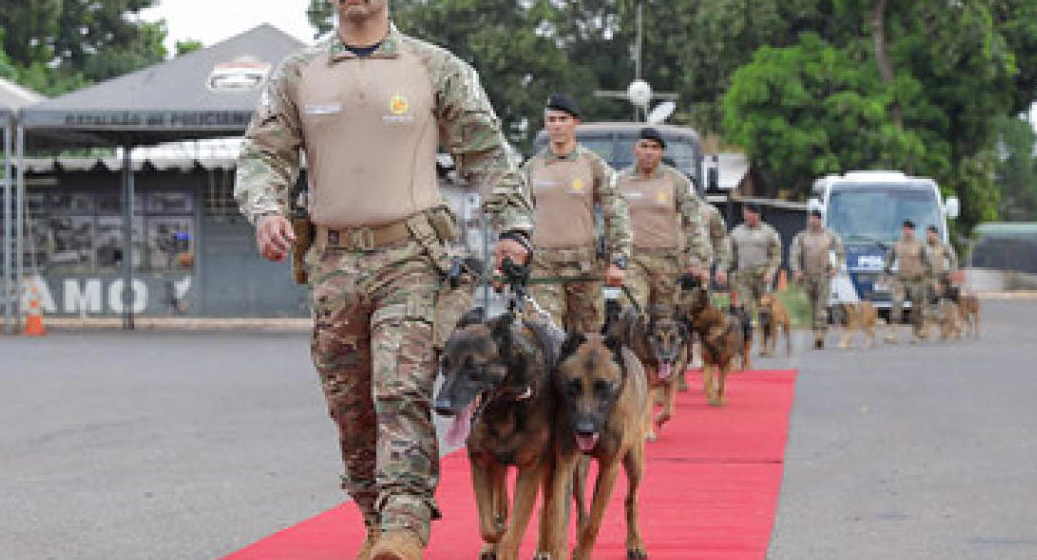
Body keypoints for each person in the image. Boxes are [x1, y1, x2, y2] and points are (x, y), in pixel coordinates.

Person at [233, 1, 534, 559]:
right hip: (332, 262)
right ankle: (375, 520)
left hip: (411, 257)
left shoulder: (433, 67)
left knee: (400, 388)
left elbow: (487, 152)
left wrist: (514, 225)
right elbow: (262, 156)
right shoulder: (298, 73)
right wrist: (267, 209)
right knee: (350, 407)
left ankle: (404, 524)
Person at [522, 93, 631, 332]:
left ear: (575, 123)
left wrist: (619, 260)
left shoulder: (593, 165)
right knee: (545, 335)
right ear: (545, 124)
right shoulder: (532, 168)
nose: (557, 125)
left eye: (563, 119)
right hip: (543, 266)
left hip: (585, 267)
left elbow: (616, 212)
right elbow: (517, 214)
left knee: (587, 341)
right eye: (552, 120)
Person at [618, 127, 711, 309]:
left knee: (666, 321)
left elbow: (694, 222)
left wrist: (695, 260)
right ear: (635, 149)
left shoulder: (677, 181)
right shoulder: (619, 181)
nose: (649, 152)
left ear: (661, 152)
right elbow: (610, 219)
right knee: (632, 312)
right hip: (633, 260)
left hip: (667, 261)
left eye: (655, 147)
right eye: (644, 146)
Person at [788, 209, 845, 349]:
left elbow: (841, 252)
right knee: (810, 307)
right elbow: (794, 254)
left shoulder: (829, 235)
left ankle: (820, 334)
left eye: (815, 218)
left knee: (822, 306)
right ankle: (816, 331)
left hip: (824, 276)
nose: (812, 221)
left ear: (820, 220)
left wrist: (836, 267)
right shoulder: (801, 237)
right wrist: (796, 270)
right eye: (810, 218)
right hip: (807, 276)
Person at [728, 202, 781, 322]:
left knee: (765, 311)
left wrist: (771, 272)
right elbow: (730, 255)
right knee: (745, 310)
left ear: (757, 215)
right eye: (744, 214)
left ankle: (765, 336)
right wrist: (726, 271)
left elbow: (776, 255)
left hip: (762, 276)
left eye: (748, 213)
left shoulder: (769, 232)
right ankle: (748, 337)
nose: (746, 216)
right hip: (743, 277)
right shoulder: (736, 232)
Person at [884, 219, 934, 343]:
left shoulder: (920, 245)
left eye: (909, 229)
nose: (907, 231)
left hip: (916, 281)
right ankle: (893, 332)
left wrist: (927, 277)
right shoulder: (897, 245)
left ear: (913, 231)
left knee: (916, 308)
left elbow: (928, 263)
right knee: (896, 304)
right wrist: (885, 273)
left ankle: (916, 333)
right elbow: (889, 260)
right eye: (905, 229)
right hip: (900, 280)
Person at [926, 225, 958, 300]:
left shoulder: (943, 246)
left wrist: (951, 273)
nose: (928, 236)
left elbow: (953, 259)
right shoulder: (924, 247)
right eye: (927, 234)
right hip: (929, 277)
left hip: (942, 276)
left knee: (947, 296)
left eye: (930, 234)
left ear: (935, 234)